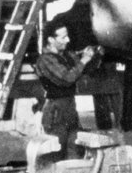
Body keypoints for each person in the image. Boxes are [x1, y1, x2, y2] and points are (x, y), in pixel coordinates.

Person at [34, 22, 103, 160]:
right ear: (51, 40)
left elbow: (84, 70)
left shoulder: (67, 55)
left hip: (71, 108)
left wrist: (95, 56)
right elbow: (68, 78)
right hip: (55, 110)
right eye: (63, 37)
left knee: (75, 149)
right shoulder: (45, 60)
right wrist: (84, 60)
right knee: (56, 151)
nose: (68, 40)